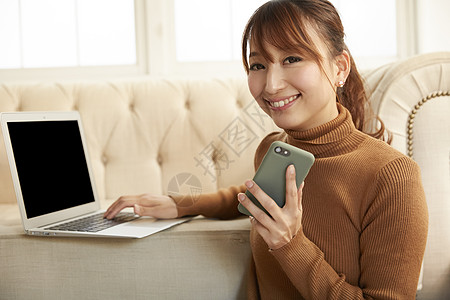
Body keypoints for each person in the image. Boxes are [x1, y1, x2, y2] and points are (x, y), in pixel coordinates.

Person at [104, 0, 428, 298]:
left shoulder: (392, 177)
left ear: (339, 67)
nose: (271, 85)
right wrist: (180, 205)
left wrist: (291, 245)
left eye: (292, 59)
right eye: (258, 65)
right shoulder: (274, 149)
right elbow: (254, 199)